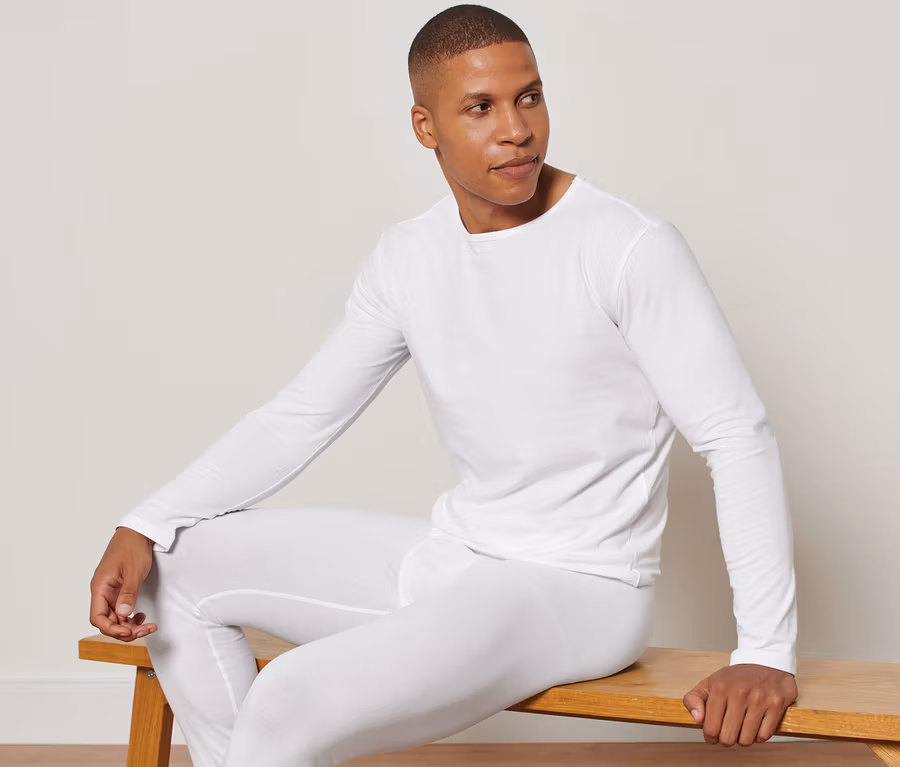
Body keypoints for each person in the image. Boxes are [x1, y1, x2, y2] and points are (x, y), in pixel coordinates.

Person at [88, 4, 799, 766]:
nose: (517, 129)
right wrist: (145, 521)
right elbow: (300, 415)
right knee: (172, 568)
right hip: (455, 559)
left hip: (579, 589)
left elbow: (735, 436)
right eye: (481, 107)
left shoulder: (627, 246)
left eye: (529, 97)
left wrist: (766, 648)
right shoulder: (409, 256)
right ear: (425, 126)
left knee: (288, 696)